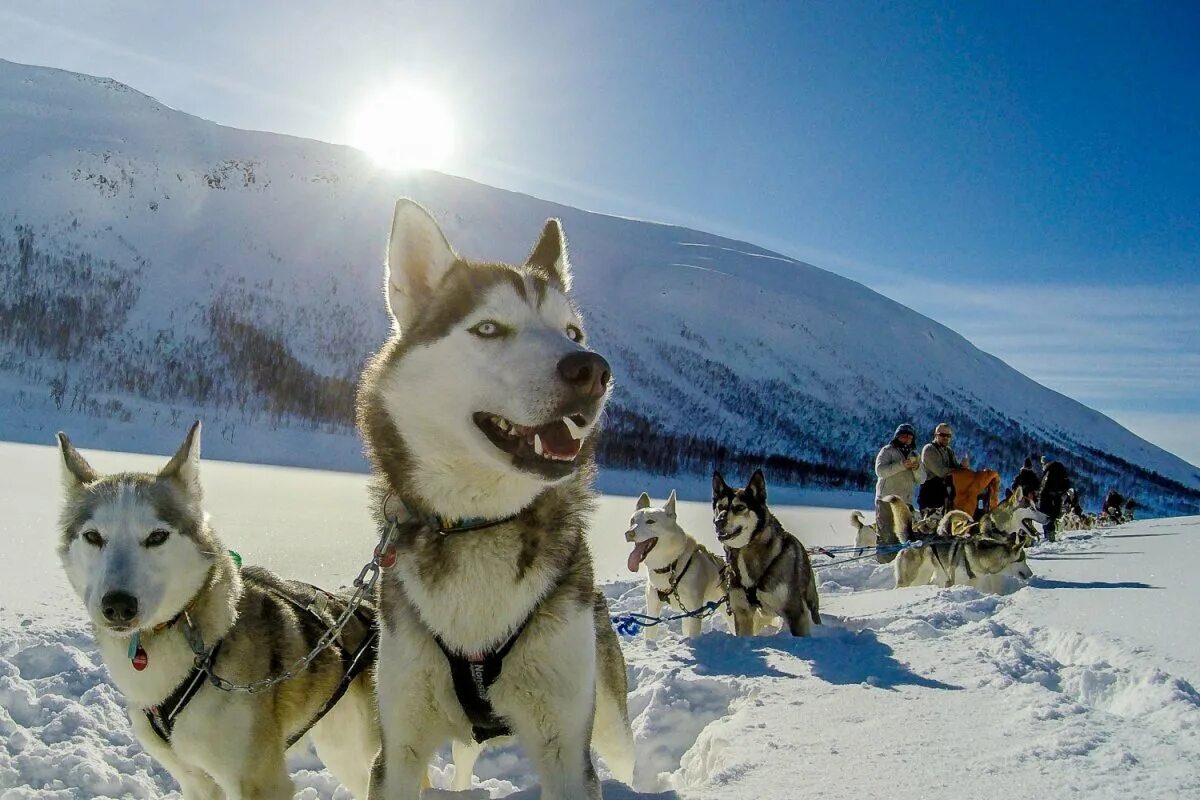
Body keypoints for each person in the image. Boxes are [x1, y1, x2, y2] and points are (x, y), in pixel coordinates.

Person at [874, 423, 926, 563]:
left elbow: (922, 479)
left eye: (909, 437)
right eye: (903, 436)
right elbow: (880, 471)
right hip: (886, 500)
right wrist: (901, 465)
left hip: (905, 502)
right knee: (886, 534)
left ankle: (900, 563)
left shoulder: (915, 454)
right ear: (897, 436)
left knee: (903, 534)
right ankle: (884, 565)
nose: (906, 439)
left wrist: (916, 468)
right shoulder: (887, 450)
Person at [918, 422, 969, 511]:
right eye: (942, 435)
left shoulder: (949, 451)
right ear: (936, 435)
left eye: (948, 436)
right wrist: (959, 470)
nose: (945, 438)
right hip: (930, 493)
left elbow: (956, 469)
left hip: (945, 495)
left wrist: (962, 467)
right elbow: (941, 472)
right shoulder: (929, 449)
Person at [1038, 456, 1072, 541]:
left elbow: (1044, 485)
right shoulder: (1061, 470)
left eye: (1043, 463)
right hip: (1058, 497)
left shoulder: (1048, 472)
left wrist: (1041, 493)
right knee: (1053, 516)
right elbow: (1067, 484)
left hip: (1047, 497)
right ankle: (1051, 533)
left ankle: (1049, 535)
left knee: (1046, 516)